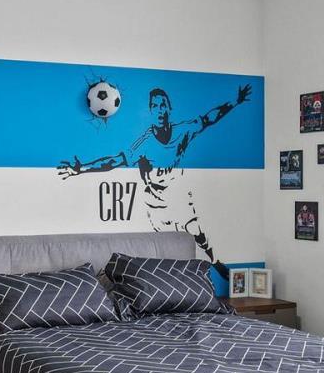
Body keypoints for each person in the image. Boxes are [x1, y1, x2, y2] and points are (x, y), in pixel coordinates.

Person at [58, 84, 252, 262]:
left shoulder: (184, 130)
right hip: (157, 205)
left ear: (169, 108)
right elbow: (113, 162)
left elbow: (210, 118)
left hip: (180, 198)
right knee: (166, 253)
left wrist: (236, 101)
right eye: (155, 106)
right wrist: (81, 169)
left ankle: (215, 263)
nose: (159, 109)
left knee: (198, 235)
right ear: (150, 111)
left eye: (163, 105)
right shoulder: (144, 144)